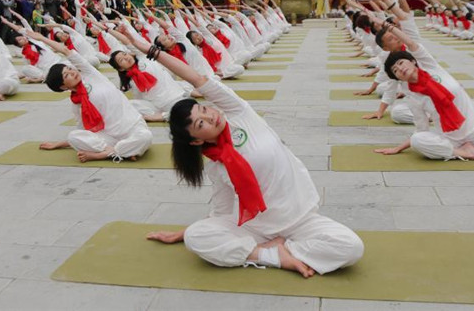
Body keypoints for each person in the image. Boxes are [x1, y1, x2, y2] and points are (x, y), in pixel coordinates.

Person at [134, 33, 364, 277]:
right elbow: (221, 212)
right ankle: (271, 255)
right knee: (196, 237)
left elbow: (198, 79)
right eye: (200, 124)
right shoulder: (215, 165)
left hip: (299, 219)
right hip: (255, 227)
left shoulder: (240, 114)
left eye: (203, 110)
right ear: (197, 140)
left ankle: (280, 248)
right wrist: (186, 232)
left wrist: (153, 51)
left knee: (351, 247)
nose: (210, 116)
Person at [378, 22, 474, 162]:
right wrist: (398, 148)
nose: (400, 69)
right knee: (418, 140)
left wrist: (388, 27)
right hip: (450, 138)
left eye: (400, 63)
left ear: (412, 61)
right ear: (398, 77)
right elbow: (421, 129)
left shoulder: (432, 68)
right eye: (395, 70)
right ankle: (464, 152)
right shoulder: (413, 96)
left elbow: (411, 43)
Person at [33, 30, 153, 163]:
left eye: (70, 69)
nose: (72, 73)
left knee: (146, 137)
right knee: (74, 136)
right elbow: (83, 130)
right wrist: (58, 144)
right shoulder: (76, 103)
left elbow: (67, 51)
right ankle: (122, 151)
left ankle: (104, 154)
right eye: (67, 75)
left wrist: (41, 38)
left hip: (132, 127)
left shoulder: (91, 75)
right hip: (109, 136)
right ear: (63, 87)